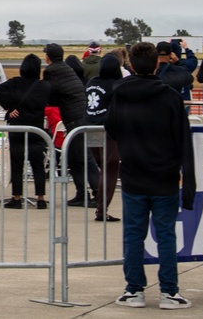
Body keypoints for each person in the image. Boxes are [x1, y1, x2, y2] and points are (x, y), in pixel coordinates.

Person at [106, 41, 195, 310]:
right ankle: (169, 291)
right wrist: (186, 176)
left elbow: (111, 127)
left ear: (131, 65)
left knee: (134, 235)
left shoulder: (120, 93)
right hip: (165, 175)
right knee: (166, 235)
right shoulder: (170, 97)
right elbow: (182, 136)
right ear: (158, 64)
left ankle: (134, 289)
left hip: (133, 173)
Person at [42, 43, 97, 207]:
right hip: (80, 115)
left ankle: (99, 194)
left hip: (74, 117)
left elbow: (50, 94)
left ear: (48, 57)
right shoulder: (66, 68)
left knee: (84, 157)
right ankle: (82, 193)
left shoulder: (51, 71)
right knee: (73, 157)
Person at [0, 54, 50, 209]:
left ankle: (16, 198)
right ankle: (41, 198)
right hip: (36, 128)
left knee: (17, 163)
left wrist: (10, 107)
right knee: (38, 164)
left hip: (17, 125)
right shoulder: (44, 86)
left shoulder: (14, 83)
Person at [84, 54, 123, 221]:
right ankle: (101, 209)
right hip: (108, 131)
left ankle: (100, 206)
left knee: (102, 169)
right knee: (110, 170)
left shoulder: (91, 82)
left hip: (90, 128)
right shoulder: (116, 84)